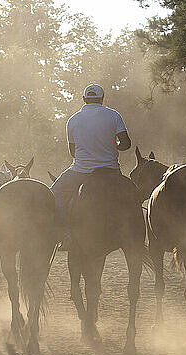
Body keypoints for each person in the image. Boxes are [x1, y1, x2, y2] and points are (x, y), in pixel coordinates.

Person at [51, 83, 131, 250]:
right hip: (111, 171)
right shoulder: (113, 115)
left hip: (81, 171)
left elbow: (73, 152)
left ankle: (64, 235)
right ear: (102, 99)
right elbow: (126, 144)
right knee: (133, 196)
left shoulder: (73, 120)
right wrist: (110, 144)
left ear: (84, 99)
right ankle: (135, 236)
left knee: (54, 194)